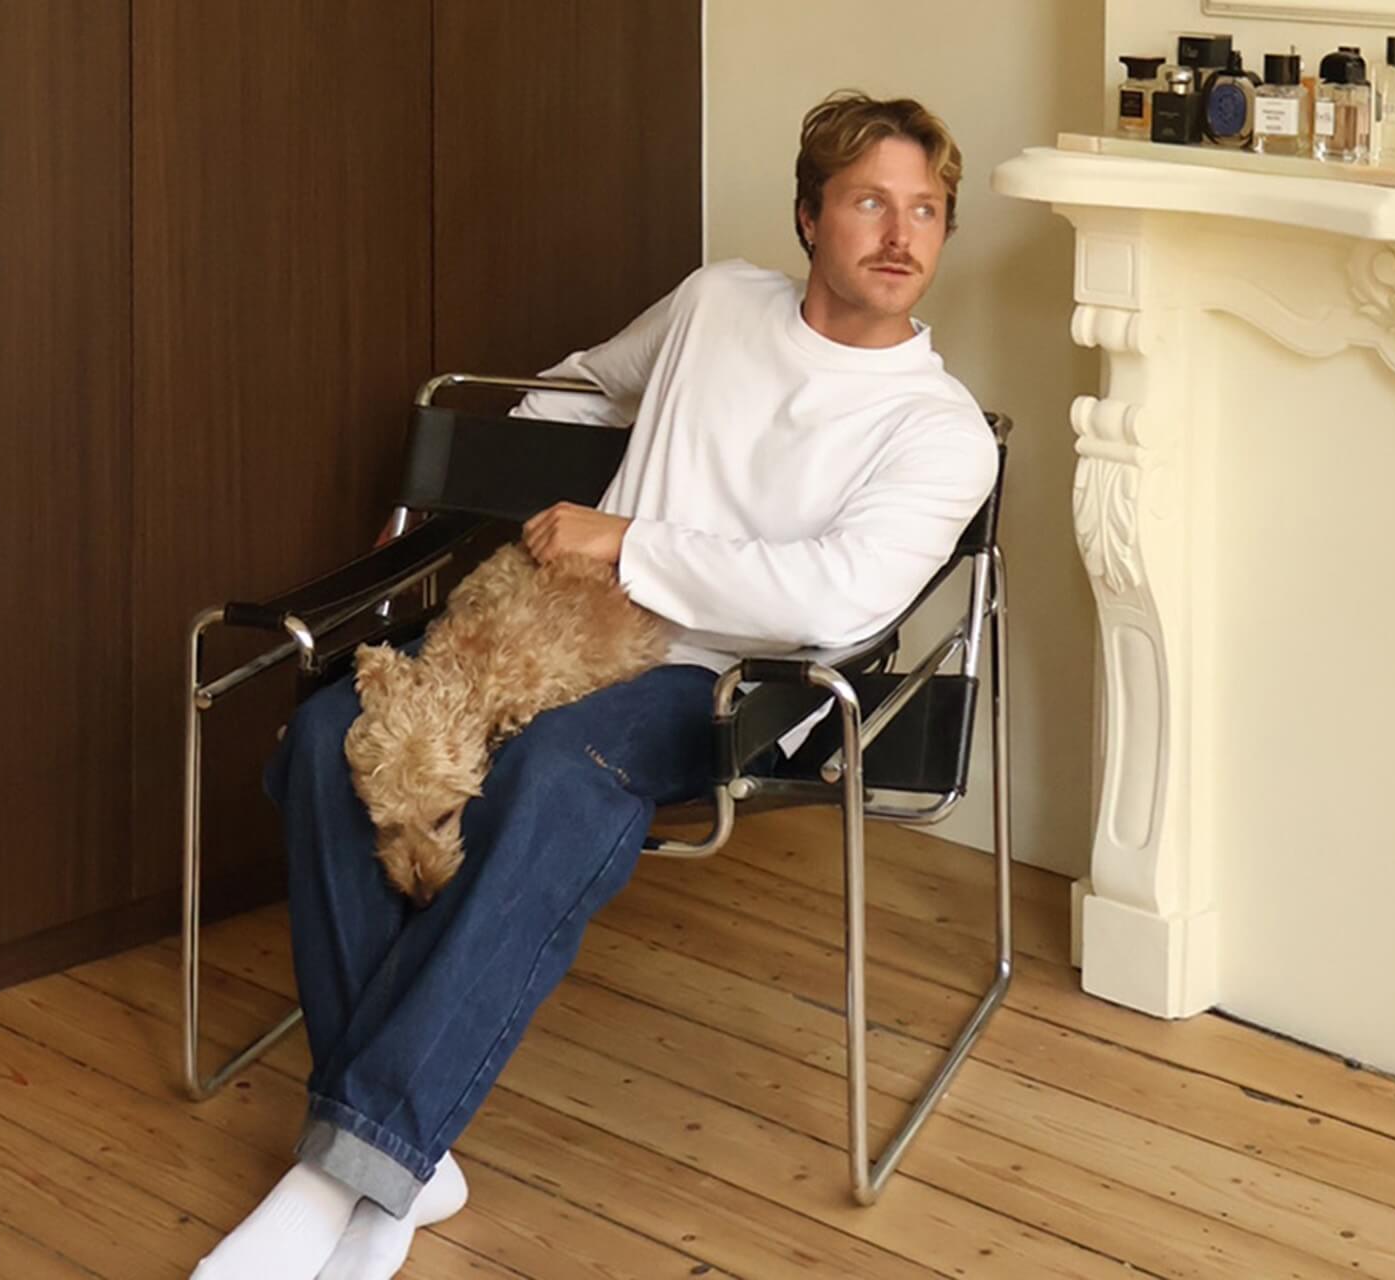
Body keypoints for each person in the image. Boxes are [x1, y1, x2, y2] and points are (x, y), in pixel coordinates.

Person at [191, 89, 998, 1280]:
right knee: (326, 733)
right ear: (808, 218)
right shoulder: (719, 301)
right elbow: (579, 387)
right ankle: (402, 1150)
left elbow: (834, 601)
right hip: (564, 631)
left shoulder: (938, 430)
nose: (902, 232)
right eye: (871, 200)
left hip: (734, 687)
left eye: (926, 209)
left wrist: (627, 540)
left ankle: (345, 1165)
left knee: (557, 775)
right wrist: (508, 508)